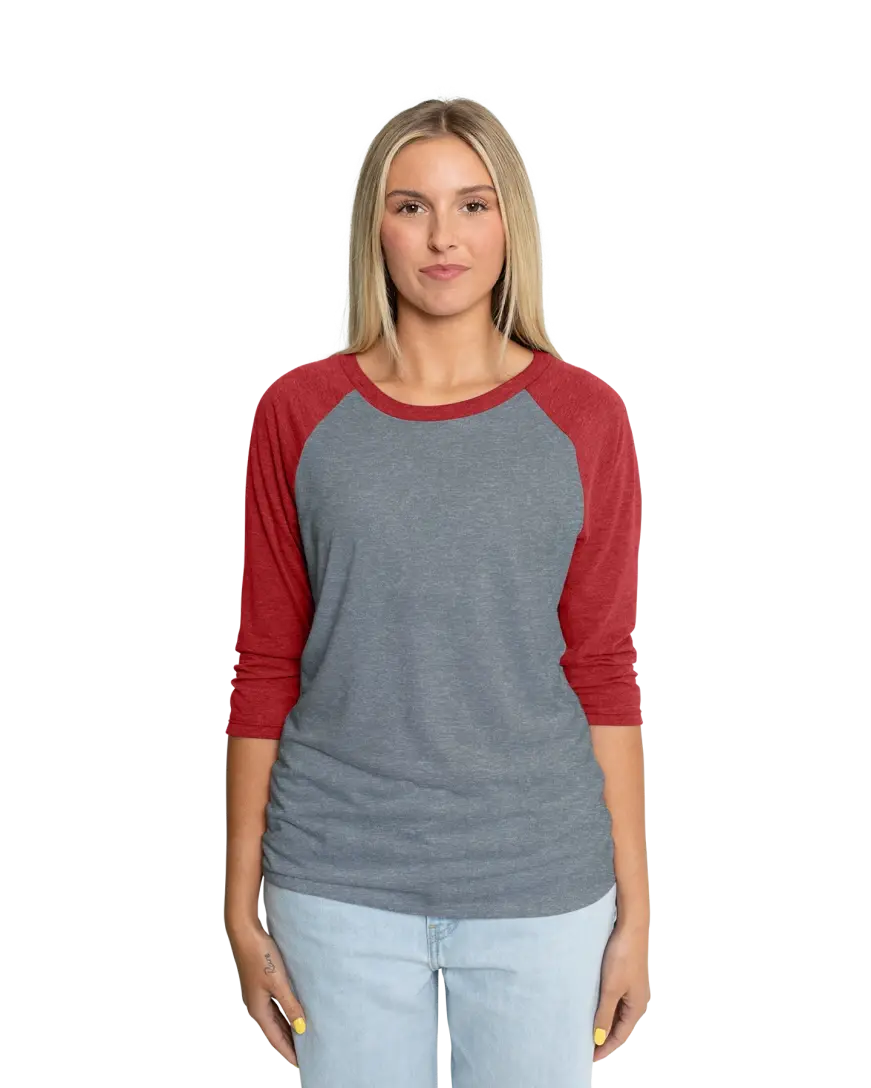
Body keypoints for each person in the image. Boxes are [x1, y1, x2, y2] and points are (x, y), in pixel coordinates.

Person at [225, 96, 651, 1085]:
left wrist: (636, 911)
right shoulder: (298, 412)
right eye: (411, 206)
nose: (442, 237)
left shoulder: (585, 415)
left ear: (511, 225)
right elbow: (266, 662)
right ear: (374, 225)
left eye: (473, 204)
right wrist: (239, 905)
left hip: (541, 882)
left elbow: (602, 667)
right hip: (334, 876)